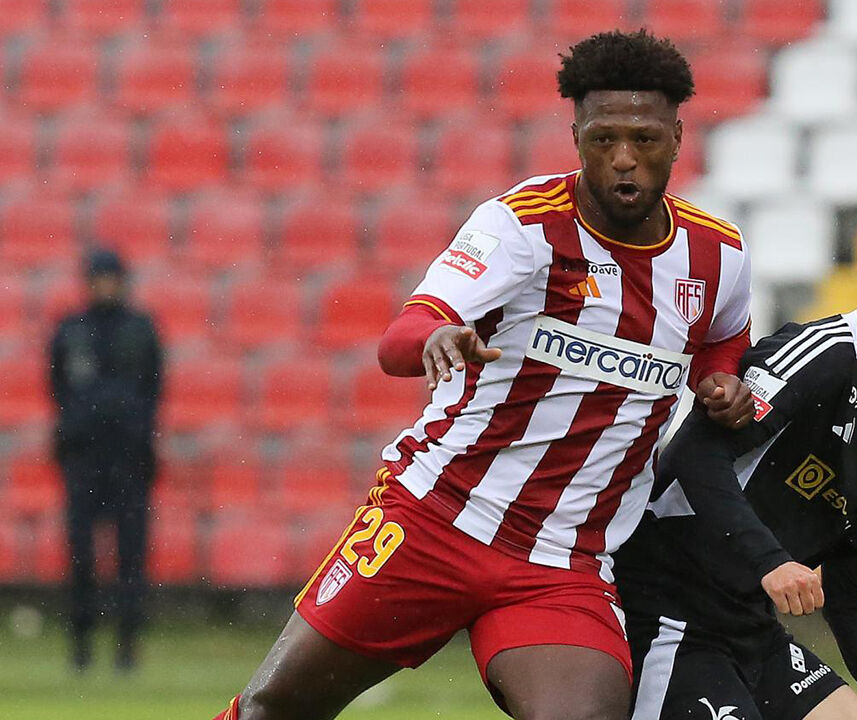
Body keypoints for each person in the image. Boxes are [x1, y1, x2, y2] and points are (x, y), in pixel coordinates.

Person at [214, 29, 755, 720]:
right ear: (576, 137)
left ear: (677, 138)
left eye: (644, 139)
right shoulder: (520, 226)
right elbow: (400, 340)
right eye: (603, 139)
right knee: (273, 709)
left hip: (561, 560)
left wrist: (719, 381)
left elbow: (723, 339)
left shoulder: (718, 253)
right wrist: (436, 336)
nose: (624, 158)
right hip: (436, 519)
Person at [615, 218, 857, 720]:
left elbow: (850, 596)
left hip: (752, 631)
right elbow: (694, 454)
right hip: (671, 614)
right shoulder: (822, 356)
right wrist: (772, 562)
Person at [48, 248, 164, 673]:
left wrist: (137, 434)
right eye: (99, 278)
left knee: (131, 556)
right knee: (81, 555)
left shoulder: (140, 329)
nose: (105, 286)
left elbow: (154, 389)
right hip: (84, 458)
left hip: (128, 458)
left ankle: (127, 646)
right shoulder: (71, 329)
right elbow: (58, 387)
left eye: (111, 278)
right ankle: (81, 644)